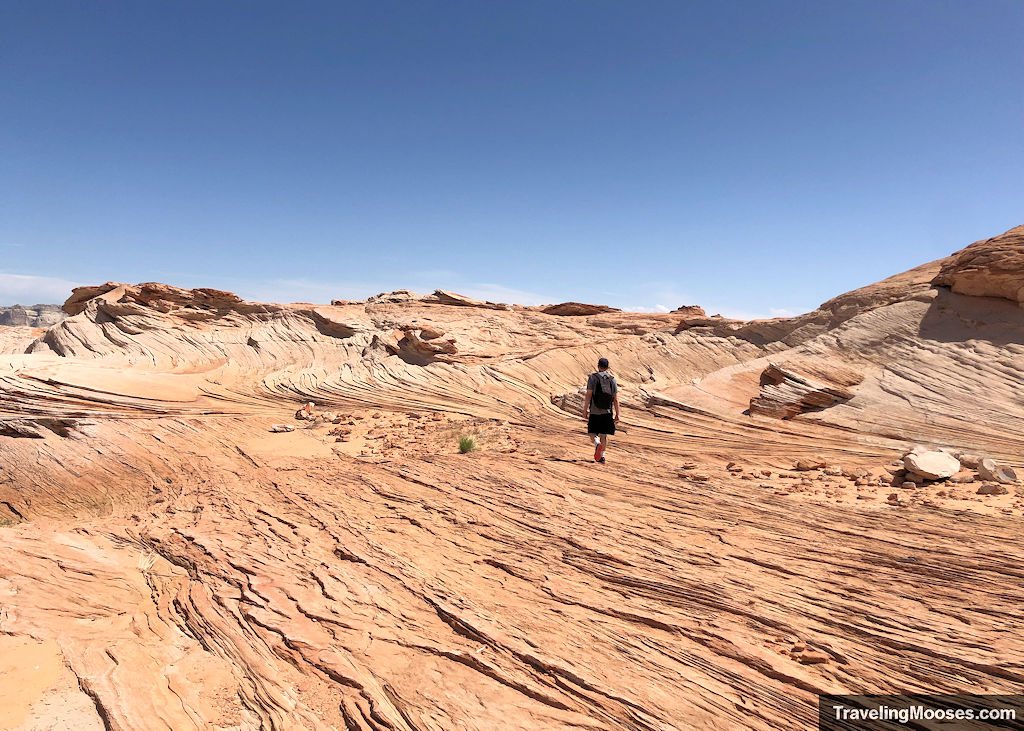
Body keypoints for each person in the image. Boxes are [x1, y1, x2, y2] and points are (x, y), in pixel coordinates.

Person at [583, 357, 619, 463]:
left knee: (592, 432)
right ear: (608, 368)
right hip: (607, 411)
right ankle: (602, 456)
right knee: (604, 434)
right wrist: (617, 414)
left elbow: (588, 395)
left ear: (598, 366)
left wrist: (585, 410)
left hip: (594, 410)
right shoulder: (612, 379)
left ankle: (596, 443)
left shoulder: (593, 378)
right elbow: (615, 399)